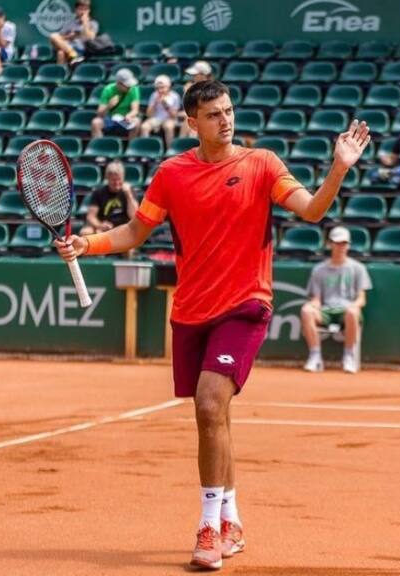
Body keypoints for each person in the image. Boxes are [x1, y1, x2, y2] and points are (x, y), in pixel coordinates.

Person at [55, 80, 370, 570]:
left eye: (228, 111)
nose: (225, 120)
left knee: (208, 403)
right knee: (216, 418)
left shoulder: (263, 164)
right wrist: (88, 244)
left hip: (246, 305)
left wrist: (337, 169)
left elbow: (312, 211)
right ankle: (232, 514)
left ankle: (208, 526)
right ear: (191, 122)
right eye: (213, 114)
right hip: (192, 310)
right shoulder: (171, 173)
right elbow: (137, 231)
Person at [301, 226, 372, 374]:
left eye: (344, 243)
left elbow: (361, 299)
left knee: (352, 312)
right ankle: (315, 356)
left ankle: (349, 356)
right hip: (325, 311)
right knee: (306, 311)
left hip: (347, 311)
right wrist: (312, 305)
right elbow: (317, 299)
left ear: (348, 245)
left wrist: (354, 306)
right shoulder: (319, 270)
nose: (341, 247)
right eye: (337, 243)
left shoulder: (358, 268)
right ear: (330, 244)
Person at [80, 161, 138, 235]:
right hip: (105, 227)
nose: (117, 183)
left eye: (119, 179)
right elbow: (91, 216)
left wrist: (128, 195)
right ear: (107, 178)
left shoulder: (129, 191)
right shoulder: (99, 192)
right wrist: (100, 225)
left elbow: (134, 216)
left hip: (124, 228)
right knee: (85, 232)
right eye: (113, 180)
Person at [91, 68, 141, 139]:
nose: (129, 88)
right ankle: (100, 146)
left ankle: (131, 146)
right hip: (110, 118)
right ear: (119, 83)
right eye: (127, 86)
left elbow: (135, 110)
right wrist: (109, 106)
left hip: (124, 119)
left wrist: (129, 115)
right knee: (96, 122)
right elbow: (99, 113)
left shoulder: (134, 89)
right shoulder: (108, 89)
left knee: (137, 122)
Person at [50, 0, 99, 65]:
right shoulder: (70, 23)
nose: (83, 12)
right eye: (80, 9)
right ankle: (73, 56)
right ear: (76, 10)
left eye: (85, 10)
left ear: (89, 11)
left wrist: (85, 23)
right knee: (54, 37)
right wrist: (69, 36)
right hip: (68, 47)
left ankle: (73, 57)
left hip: (83, 50)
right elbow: (59, 39)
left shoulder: (93, 23)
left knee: (61, 53)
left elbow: (90, 38)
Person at [140, 74, 181, 147]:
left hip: (170, 119)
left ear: (168, 87)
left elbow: (174, 115)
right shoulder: (154, 95)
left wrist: (166, 105)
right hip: (156, 118)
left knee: (168, 127)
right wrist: (154, 104)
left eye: (162, 88)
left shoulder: (175, 96)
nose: (160, 90)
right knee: (144, 127)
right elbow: (148, 114)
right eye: (158, 88)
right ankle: (146, 149)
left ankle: (170, 150)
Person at [179, 61, 214, 138]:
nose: (193, 77)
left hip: (209, 118)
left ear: (202, 75)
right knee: (189, 125)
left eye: (195, 75)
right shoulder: (194, 86)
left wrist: (189, 92)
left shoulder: (211, 88)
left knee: (191, 129)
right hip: (197, 117)